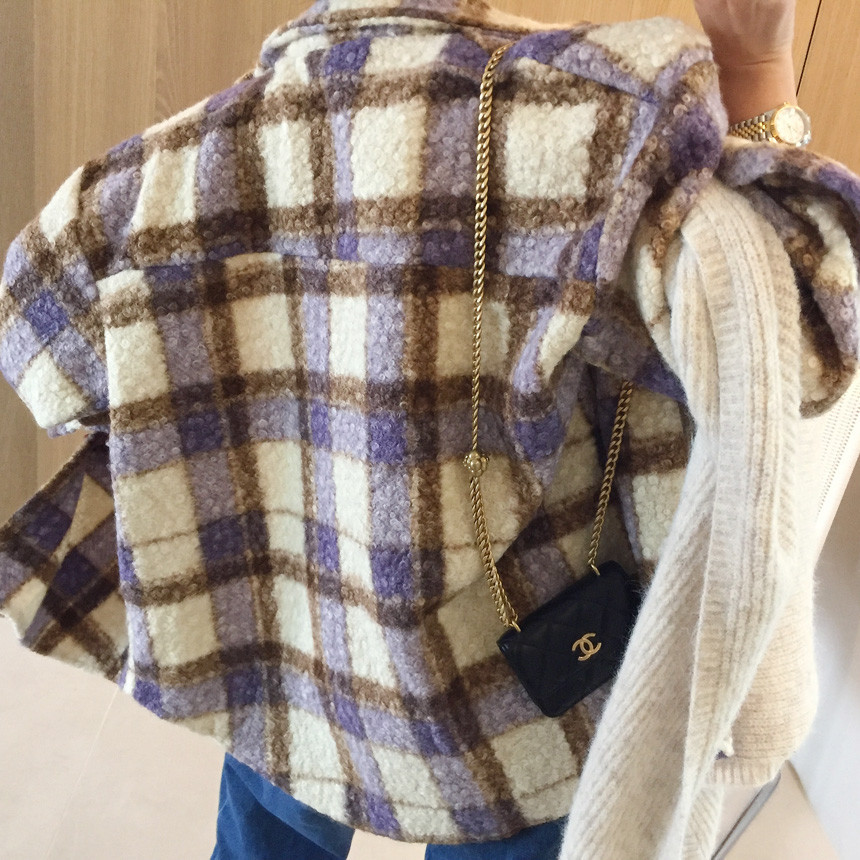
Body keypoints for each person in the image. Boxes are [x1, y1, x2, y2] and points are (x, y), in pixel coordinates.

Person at [1, 0, 854, 859]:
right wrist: (755, 72)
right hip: (519, 700)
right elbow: (801, 351)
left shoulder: (182, 162)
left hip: (289, 656)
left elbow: (34, 342)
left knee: (273, 831)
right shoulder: (606, 132)